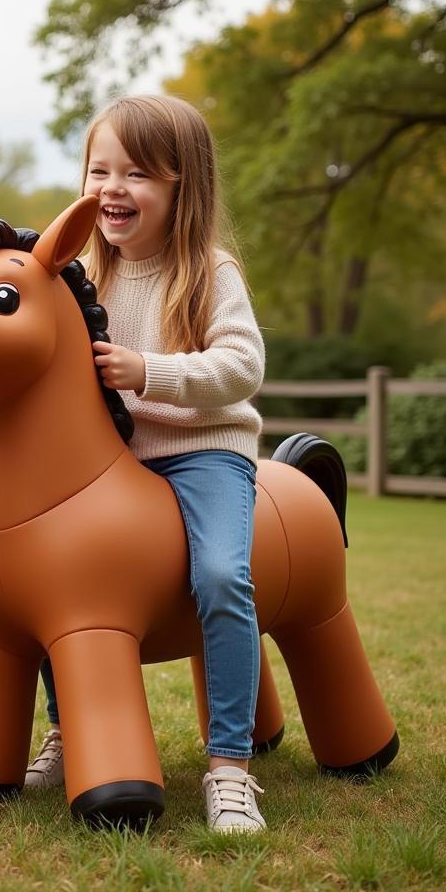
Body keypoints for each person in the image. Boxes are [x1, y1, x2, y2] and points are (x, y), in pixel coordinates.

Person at [24, 94, 267, 833]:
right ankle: (71, 729)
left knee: (222, 575)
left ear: (180, 186)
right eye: (99, 170)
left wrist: (148, 372)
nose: (112, 188)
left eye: (137, 173)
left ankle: (229, 765)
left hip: (202, 451)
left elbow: (242, 365)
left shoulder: (208, 270)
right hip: (113, 464)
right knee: (45, 569)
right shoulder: (83, 271)